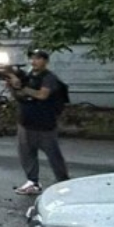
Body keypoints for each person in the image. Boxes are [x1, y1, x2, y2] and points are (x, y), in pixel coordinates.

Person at [8, 49, 69, 195]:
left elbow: (42, 95)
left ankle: (64, 183)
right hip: (25, 122)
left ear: (45, 61)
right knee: (26, 154)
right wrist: (14, 84)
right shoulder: (28, 77)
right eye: (32, 58)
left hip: (44, 125)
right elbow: (20, 95)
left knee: (54, 155)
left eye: (38, 58)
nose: (34, 61)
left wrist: (22, 87)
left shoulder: (49, 78)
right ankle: (32, 182)